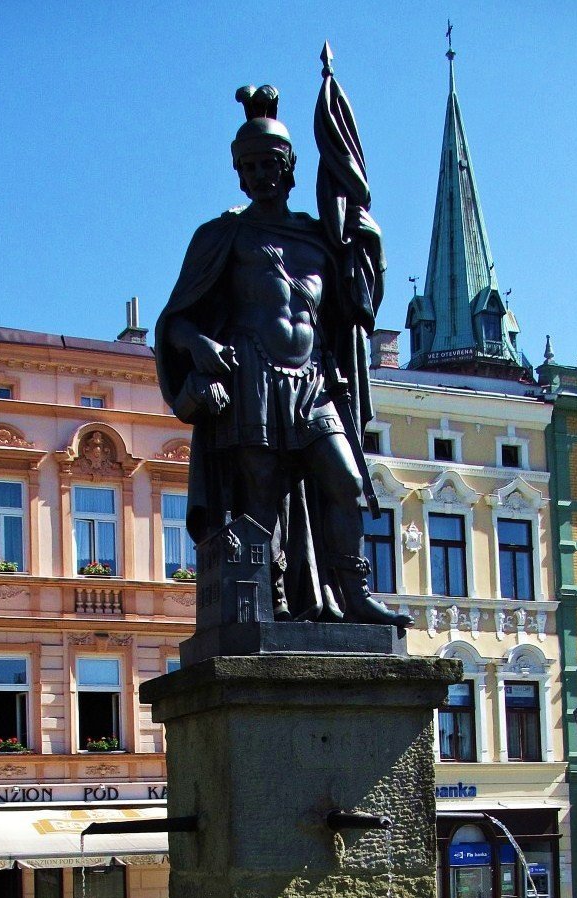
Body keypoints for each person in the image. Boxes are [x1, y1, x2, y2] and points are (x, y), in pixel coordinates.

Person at [155, 82, 409, 629]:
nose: (261, 173)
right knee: (260, 505)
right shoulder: (224, 235)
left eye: (270, 161)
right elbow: (175, 319)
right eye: (249, 165)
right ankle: (261, 606)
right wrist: (199, 345)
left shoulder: (319, 238)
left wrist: (372, 247)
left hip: (313, 381)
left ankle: (353, 590)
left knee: (344, 481)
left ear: (290, 165)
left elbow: (357, 311)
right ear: (238, 173)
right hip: (253, 381)